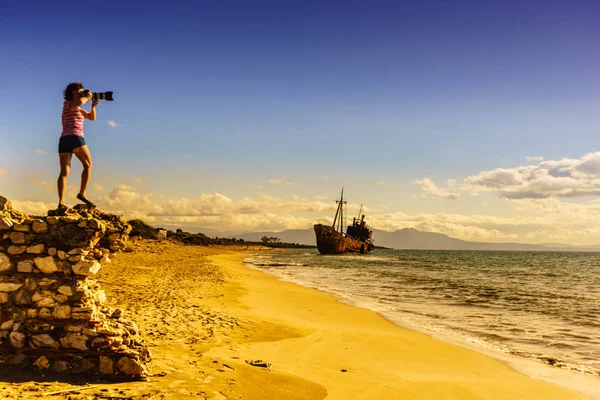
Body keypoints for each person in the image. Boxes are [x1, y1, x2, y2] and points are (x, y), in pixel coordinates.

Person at [57, 82, 98, 210]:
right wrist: (87, 97)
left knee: (64, 172)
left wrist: (93, 106)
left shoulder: (77, 107)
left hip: (64, 140)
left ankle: (61, 202)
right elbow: (79, 102)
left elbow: (92, 118)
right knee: (88, 165)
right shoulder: (69, 103)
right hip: (75, 137)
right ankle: (82, 193)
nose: (83, 91)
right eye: (81, 90)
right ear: (74, 91)